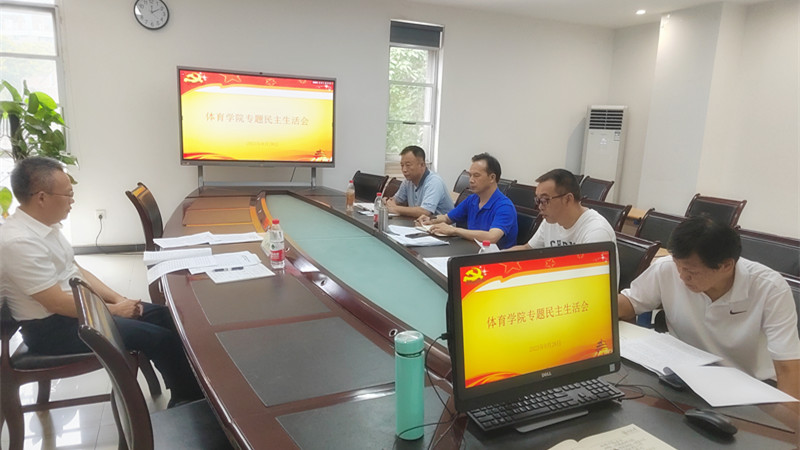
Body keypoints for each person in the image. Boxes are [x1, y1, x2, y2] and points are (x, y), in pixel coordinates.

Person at [0, 157, 203, 407]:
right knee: (159, 338)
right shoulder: (19, 241)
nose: (72, 201)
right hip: (51, 330)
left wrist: (118, 299)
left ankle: (189, 389)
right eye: (68, 194)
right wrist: (115, 311)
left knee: (167, 317)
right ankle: (188, 400)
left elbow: (75, 270)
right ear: (41, 198)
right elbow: (55, 302)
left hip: (76, 312)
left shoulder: (45, 226)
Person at [618, 216, 800, 400]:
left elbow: (788, 368)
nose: (682, 276)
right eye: (678, 266)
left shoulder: (770, 289)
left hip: (750, 386)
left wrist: (787, 417)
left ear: (726, 265)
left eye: (692, 272)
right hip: (685, 376)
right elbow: (630, 302)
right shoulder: (667, 268)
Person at [418, 153, 517, 249]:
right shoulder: (472, 199)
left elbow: (492, 237)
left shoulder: (504, 206)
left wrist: (454, 230)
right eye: (470, 175)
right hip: (472, 251)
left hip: (496, 257)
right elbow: (447, 218)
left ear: (492, 178)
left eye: (476, 175)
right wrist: (430, 219)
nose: (471, 180)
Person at [509, 168, 616, 251]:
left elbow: (589, 273)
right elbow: (528, 249)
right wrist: (500, 257)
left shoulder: (596, 232)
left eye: (544, 200)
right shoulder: (550, 221)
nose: (540, 206)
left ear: (568, 199)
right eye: (538, 200)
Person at [385, 146, 454, 218]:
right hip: (420, 222)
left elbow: (425, 212)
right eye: (402, 165)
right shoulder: (408, 181)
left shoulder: (434, 182)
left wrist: (395, 208)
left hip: (441, 224)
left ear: (422, 165)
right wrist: (390, 202)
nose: (404, 170)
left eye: (408, 165)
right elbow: (396, 200)